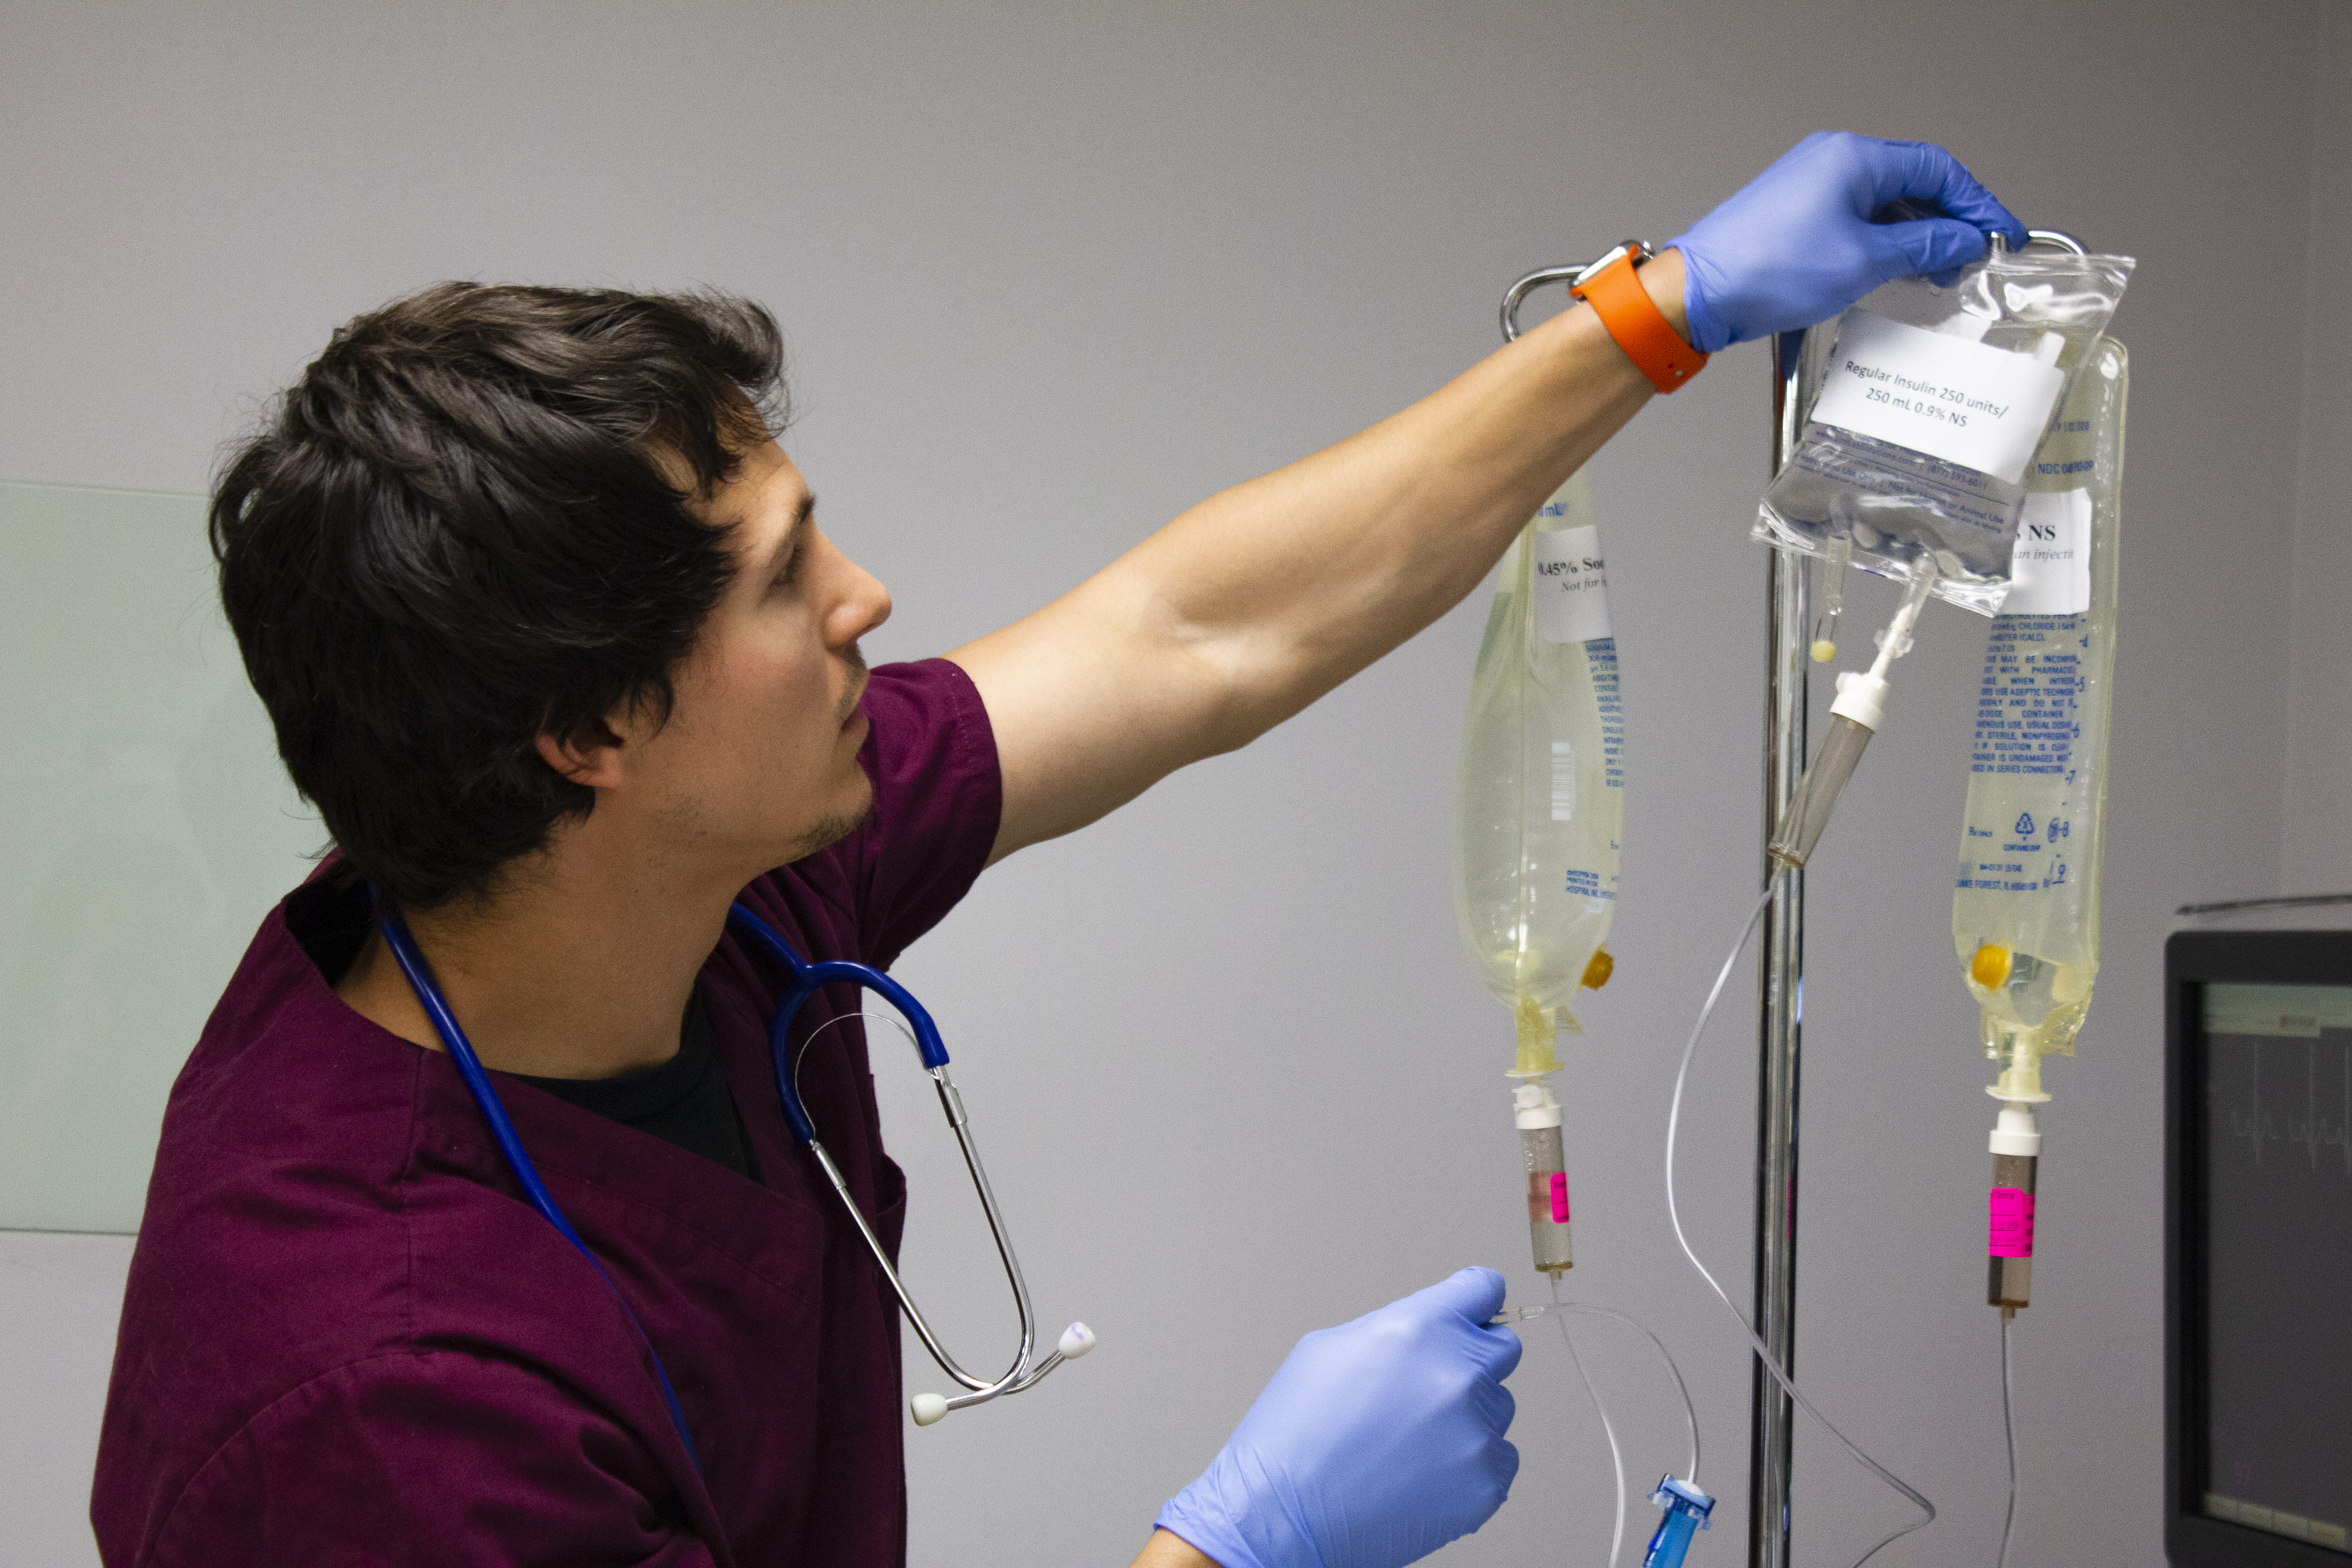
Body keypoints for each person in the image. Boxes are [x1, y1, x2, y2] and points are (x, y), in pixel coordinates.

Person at [91, 132, 2022, 1568]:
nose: (869, 598)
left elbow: (1191, 637)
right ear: (589, 732)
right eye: (783, 581)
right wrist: (1242, 1543)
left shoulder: (729, 899)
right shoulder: (373, 1407)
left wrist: (1655, 313)